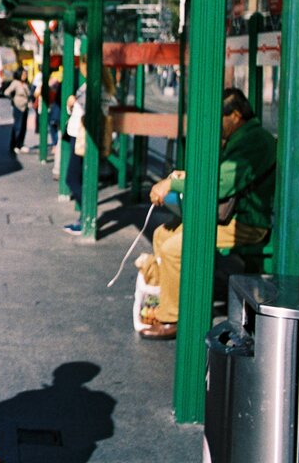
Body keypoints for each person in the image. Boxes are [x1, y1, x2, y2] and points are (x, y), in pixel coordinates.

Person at [140, 88, 276, 340]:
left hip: (246, 223)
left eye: (220, 118)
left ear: (235, 115)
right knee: (161, 234)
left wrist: (174, 184)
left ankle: (172, 318)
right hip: (229, 217)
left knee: (173, 249)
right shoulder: (244, 138)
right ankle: (159, 302)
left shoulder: (255, 141)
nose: (217, 124)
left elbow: (222, 184)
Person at [62, 60, 116, 236]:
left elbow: (85, 111)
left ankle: (87, 215)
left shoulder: (94, 88)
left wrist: (71, 102)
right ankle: (83, 217)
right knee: (80, 176)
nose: (81, 70)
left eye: (83, 66)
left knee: (72, 178)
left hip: (82, 137)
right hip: (83, 135)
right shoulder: (105, 88)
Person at [3, 68, 32, 154]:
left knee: (23, 126)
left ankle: (20, 144)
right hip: (18, 106)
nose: (24, 76)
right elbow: (6, 92)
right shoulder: (15, 83)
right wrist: (13, 99)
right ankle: (14, 145)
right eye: (23, 74)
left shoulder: (26, 84)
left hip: (25, 107)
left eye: (25, 74)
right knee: (17, 126)